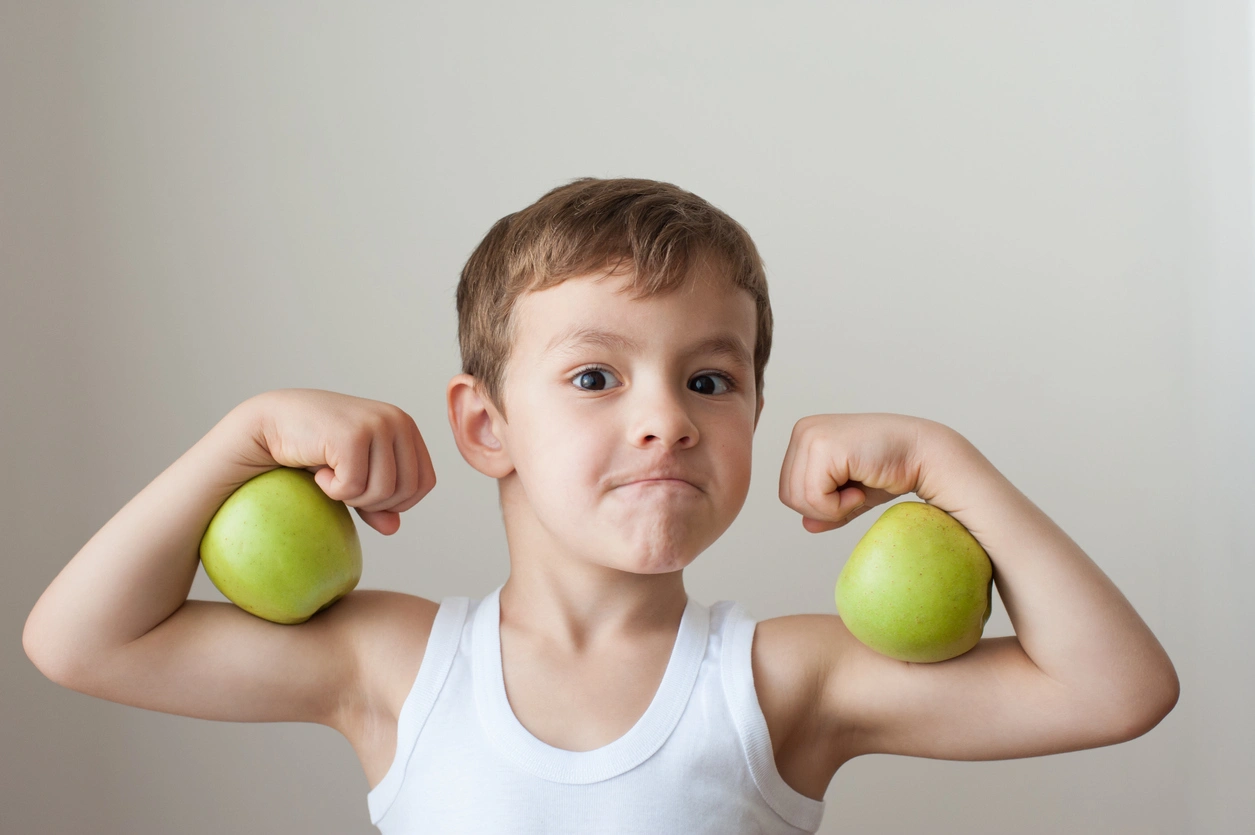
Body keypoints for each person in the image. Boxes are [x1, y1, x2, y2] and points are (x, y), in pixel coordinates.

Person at [22, 177, 1179, 834]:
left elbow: (1116, 689)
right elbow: (78, 640)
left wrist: (945, 463)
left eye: (709, 379)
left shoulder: (782, 682)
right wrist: (245, 433)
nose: (666, 418)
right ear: (485, 426)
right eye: (594, 376)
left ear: (755, 417)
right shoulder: (398, 665)